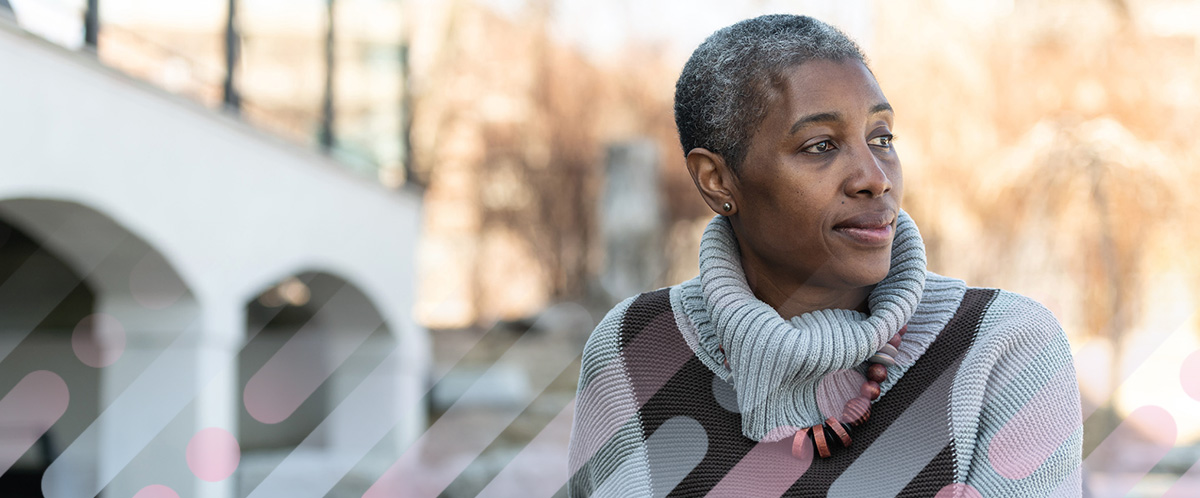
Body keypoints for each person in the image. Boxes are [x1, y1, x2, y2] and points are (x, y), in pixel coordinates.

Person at [567, 14, 1082, 497]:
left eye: (881, 137)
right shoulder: (637, 348)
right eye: (821, 146)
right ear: (717, 179)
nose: (875, 178)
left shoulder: (1002, 346)